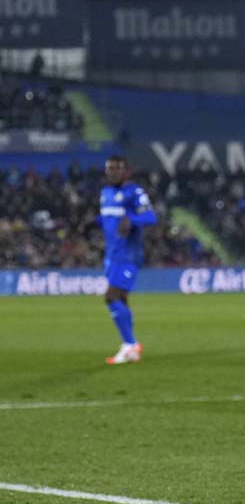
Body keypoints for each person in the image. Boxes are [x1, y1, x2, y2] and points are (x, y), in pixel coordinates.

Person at [98, 156, 157, 365]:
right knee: (121, 299)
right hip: (111, 255)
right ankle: (132, 347)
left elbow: (151, 217)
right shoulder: (105, 193)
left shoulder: (134, 192)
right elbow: (108, 221)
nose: (112, 172)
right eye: (109, 169)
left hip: (128, 255)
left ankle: (129, 343)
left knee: (110, 296)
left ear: (126, 171)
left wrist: (133, 220)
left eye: (116, 168)